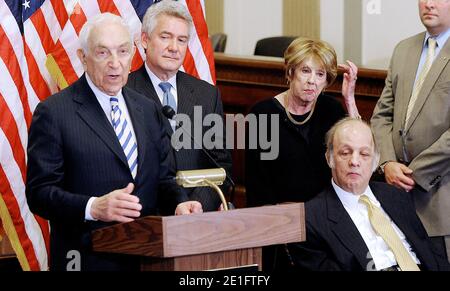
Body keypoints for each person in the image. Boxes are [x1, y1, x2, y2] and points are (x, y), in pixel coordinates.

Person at [26, 13, 202, 271]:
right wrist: (93, 207)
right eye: (103, 53)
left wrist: (179, 203)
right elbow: (39, 193)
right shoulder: (54, 113)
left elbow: (163, 179)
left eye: (122, 51)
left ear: (132, 54)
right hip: (86, 259)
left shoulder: (149, 110)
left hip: (148, 258)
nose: (115, 64)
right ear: (83, 57)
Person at [245, 37, 360, 271]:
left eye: (320, 74)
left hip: (328, 223)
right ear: (290, 72)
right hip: (281, 228)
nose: (311, 82)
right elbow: (259, 191)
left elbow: (358, 152)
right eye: (305, 71)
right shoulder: (263, 115)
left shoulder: (331, 110)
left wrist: (349, 100)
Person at [288, 118, 448, 271]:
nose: (355, 161)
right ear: (329, 158)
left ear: (375, 161)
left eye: (364, 154)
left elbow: (430, 252)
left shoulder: (396, 196)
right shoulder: (311, 219)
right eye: (345, 153)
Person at [127, 0, 232, 212]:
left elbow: (220, 165)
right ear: (145, 40)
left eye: (181, 40)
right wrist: (176, 205)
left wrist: (198, 205)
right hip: (146, 217)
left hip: (198, 216)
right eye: (165, 37)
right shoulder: (125, 91)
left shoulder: (206, 94)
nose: (174, 48)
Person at [371, 0, 450, 261]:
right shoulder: (404, 49)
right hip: (395, 200)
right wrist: (387, 162)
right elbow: (382, 114)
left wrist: (414, 173)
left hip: (441, 204)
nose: (428, 4)